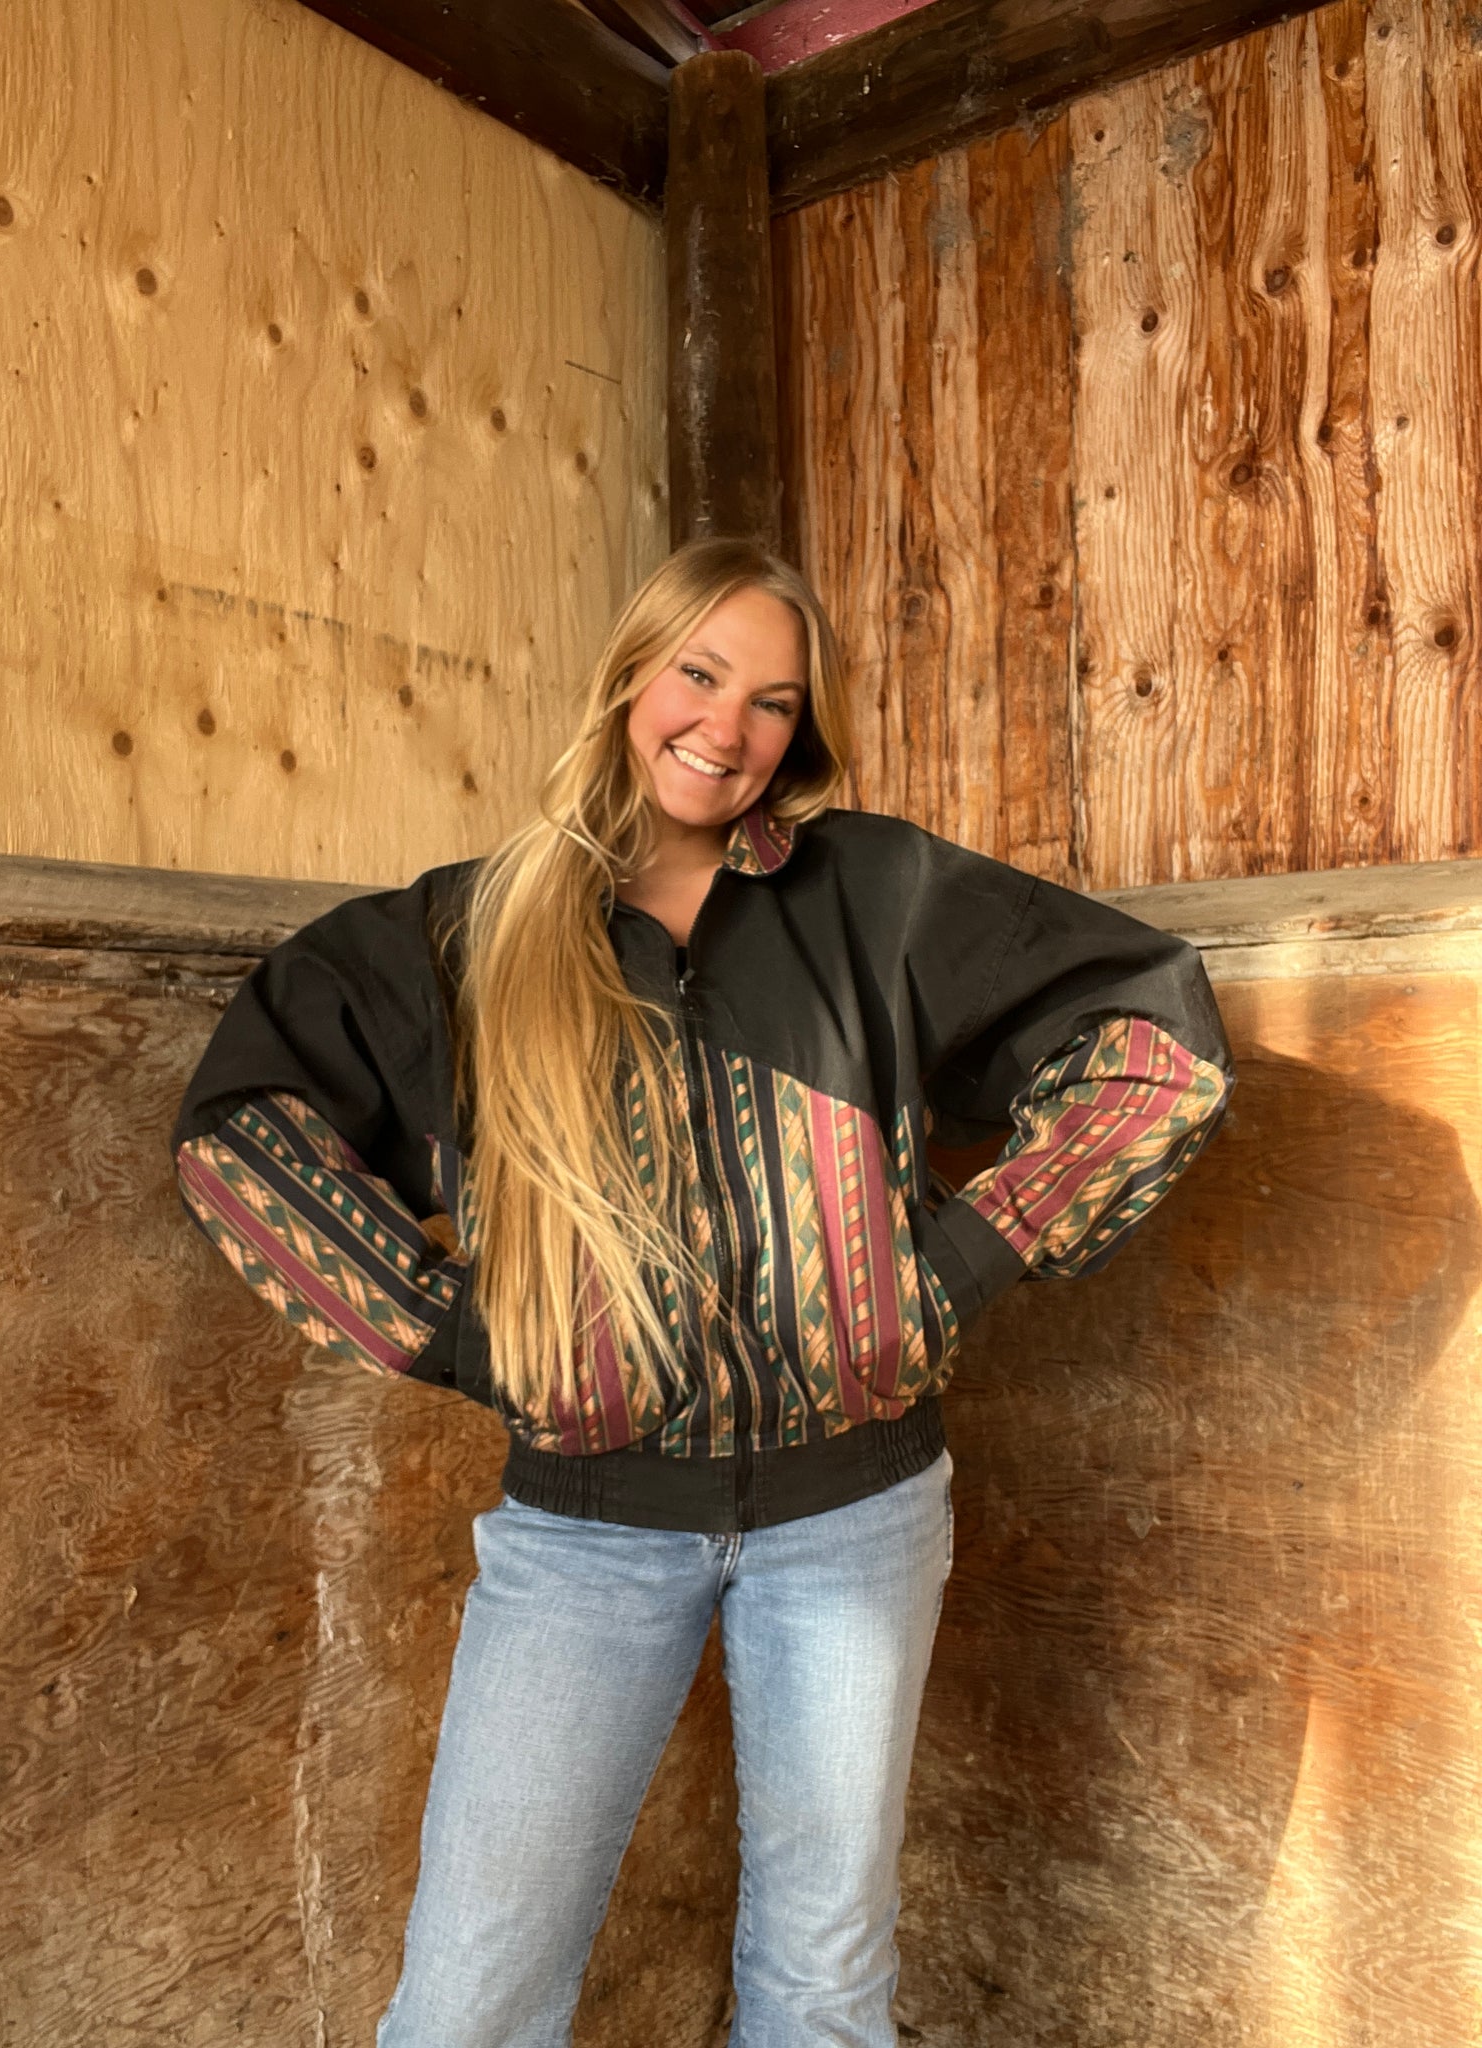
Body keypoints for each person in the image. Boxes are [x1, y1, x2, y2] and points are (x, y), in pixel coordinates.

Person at [170, 536, 1234, 2047]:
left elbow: (1155, 1043)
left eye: (773, 702)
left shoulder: (877, 893)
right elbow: (238, 1134)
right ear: (629, 679)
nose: (727, 728)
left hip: (856, 1517)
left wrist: (948, 1270)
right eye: (700, 674)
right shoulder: (460, 935)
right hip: (584, 1539)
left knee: (824, 1990)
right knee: (469, 2000)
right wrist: (466, 1338)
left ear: (801, 732)